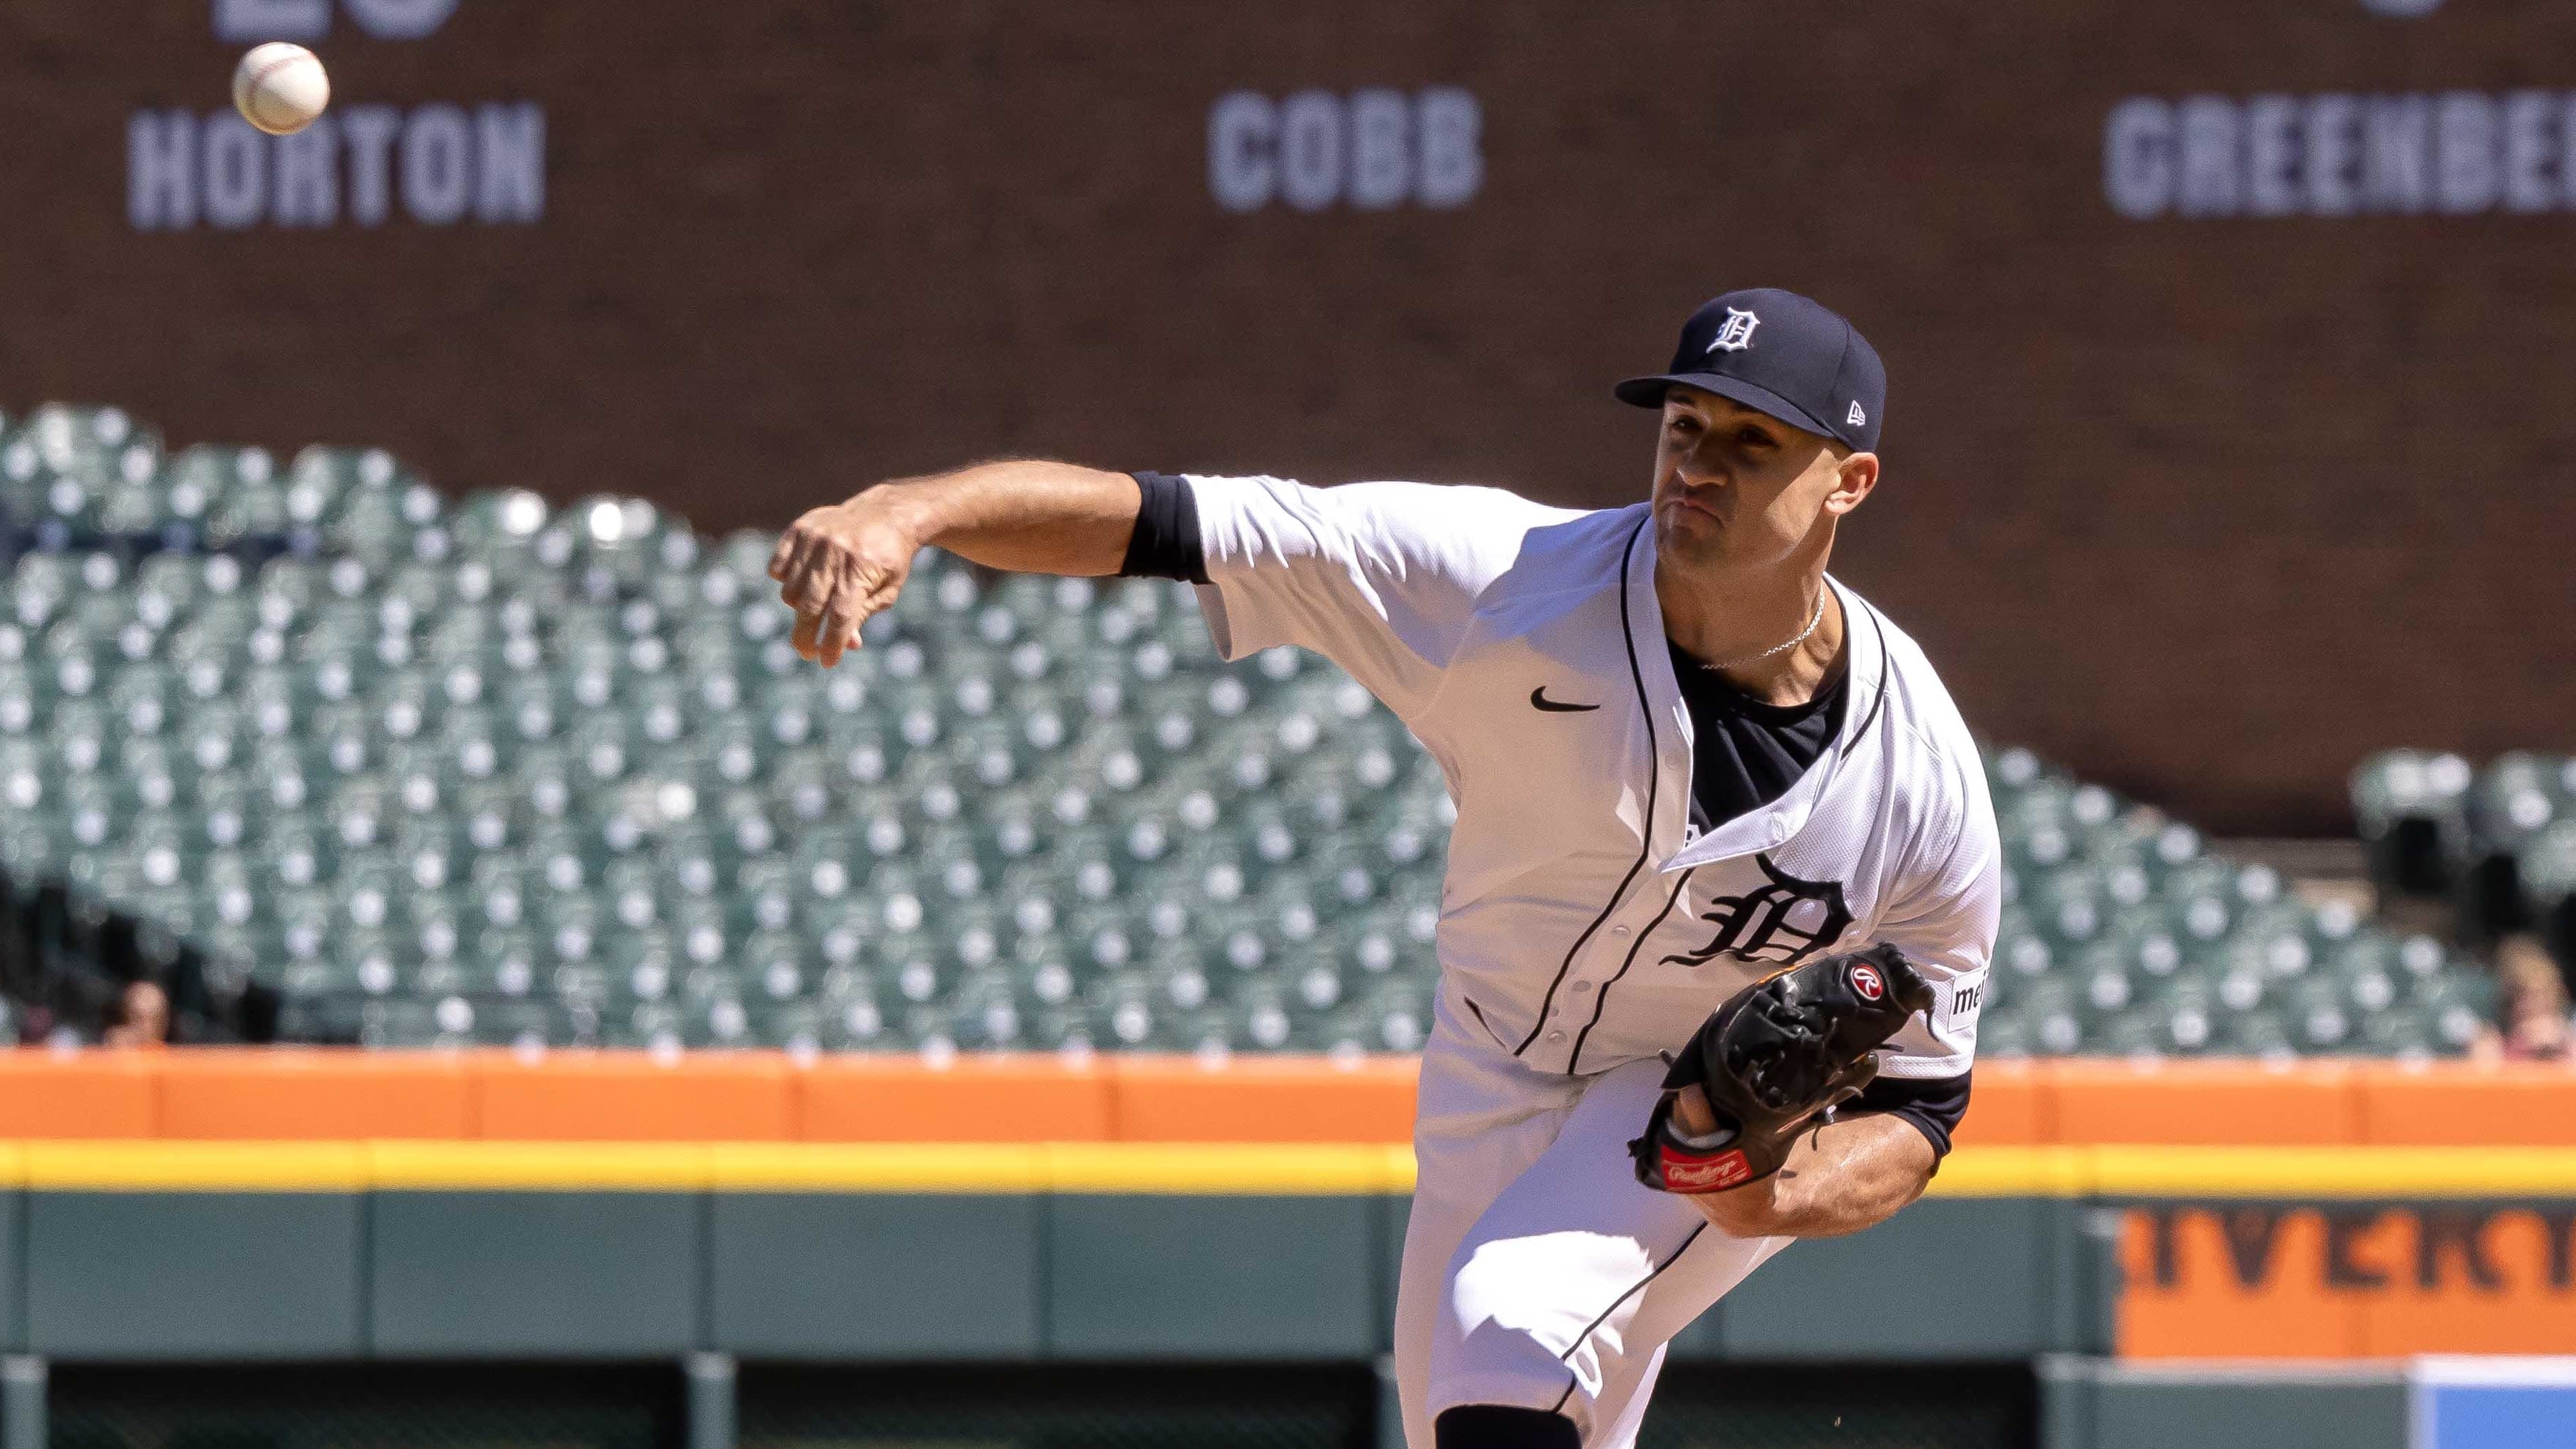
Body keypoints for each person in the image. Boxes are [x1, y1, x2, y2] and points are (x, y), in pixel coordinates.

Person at [769, 289, 1998, 1449]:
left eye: (1751, 441)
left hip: (1679, 1105)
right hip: (1483, 1061)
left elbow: (1923, 1108)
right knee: (1489, 1404)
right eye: (1686, 424)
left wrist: (1766, 1193)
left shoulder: (1921, 778)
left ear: (1850, 481)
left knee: (1502, 1339)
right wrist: (910, 510)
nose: (1698, 463)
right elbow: (1175, 519)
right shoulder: (1502, 581)